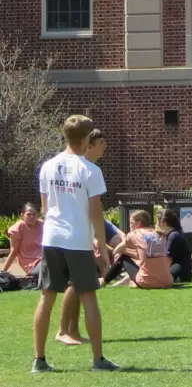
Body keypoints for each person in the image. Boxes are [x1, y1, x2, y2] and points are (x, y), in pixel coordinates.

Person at [33, 115, 118, 373]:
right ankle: (98, 360)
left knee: (46, 298)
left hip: (52, 238)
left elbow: (45, 209)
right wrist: (102, 249)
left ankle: (39, 360)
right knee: (88, 297)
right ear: (84, 139)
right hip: (77, 240)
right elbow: (96, 212)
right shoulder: (90, 170)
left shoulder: (47, 166)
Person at [56, 129, 122, 346]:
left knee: (79, 284)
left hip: (83, 230)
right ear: (89, 144)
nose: (105, 146)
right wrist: (99, 240)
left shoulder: (89, 169)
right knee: (75, 283)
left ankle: (72, 330)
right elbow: (89, 208)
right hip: (76, 233)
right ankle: (63, 330)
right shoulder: (81, 169)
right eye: (101, 142)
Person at [106, 210, 172, 290]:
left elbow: (117, 250)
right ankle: (127, 282)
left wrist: (118, 250)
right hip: (167, 282)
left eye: (131, 223)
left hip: (146, 282)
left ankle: (104, 281)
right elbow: (144, 255)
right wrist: (126, 251)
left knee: (122, 257)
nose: (129, 226)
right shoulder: (158, 234)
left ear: (138, 223)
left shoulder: (135, 234)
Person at [2, 203, 44, 277]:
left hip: (45, 257)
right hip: (31, 264)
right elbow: (14, 251)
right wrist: (3, 272)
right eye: (28, 214)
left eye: (34, 214)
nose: (32, 217)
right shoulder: (17, 228)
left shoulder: (42, 224)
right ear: (22, 215)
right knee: (49, 267)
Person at [158, 208, 192, 283]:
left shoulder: (173, 236)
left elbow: (168, 260)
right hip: (184, 273)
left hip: (180, 274)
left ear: (162, 222)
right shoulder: (174, 233)